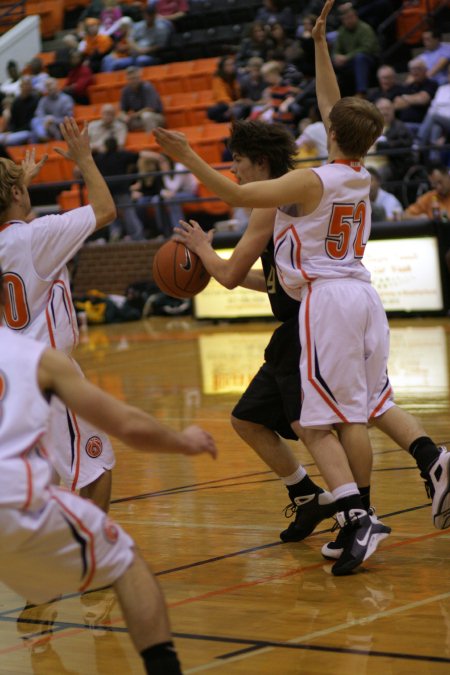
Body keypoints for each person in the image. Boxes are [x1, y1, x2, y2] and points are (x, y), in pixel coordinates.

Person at [154, 0, 450, 573]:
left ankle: (358, 516)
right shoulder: (360, 175)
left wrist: (189, 156)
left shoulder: (311, 180)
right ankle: (416, 471)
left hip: (327, 301)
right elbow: (334, 105)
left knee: (319, 422)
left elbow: (238, 197)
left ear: (332, 133)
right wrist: (319, 46)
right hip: (362, 294)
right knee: (362, 408)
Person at [0, 264, 217, 675]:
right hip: (15, 499)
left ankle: (41, 603)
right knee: (126, 562)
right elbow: (130, 425)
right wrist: (183, 441)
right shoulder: (38, 358)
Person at [172, 119, 336, 543]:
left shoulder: (273, 199)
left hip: (309, 327)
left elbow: (228, 276)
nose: (233, 170)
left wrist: (204, 252)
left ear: (260, 163)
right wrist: (214, 264)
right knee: (247, 419)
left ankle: (356, 507)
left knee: (316, 427)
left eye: (238, 161)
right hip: (297, 328)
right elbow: (255, 278)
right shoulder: (285, 192)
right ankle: (307, 496)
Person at [0, 118, 118, 512]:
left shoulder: (21, 239)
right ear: (16, 192)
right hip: (49, 374)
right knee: (97, 465)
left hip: (10, 380)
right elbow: (104, 210)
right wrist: (84, 158)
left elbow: (18, 238)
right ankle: (93, 559)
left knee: (36, 484)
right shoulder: (37, 236)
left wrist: (18, 189)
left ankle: (37, 564)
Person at [332, 3, 380, 96]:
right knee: (330, 61)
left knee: (360, 58)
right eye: (345, 19)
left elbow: (366, 48)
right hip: (349, 60)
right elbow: (336, 49)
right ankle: (332, 93)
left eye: (350, 17)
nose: (348, 20)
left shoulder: (365, 28)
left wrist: (347, 57)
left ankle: (361, 92)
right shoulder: (342, 31)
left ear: (356, 16)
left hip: (369, 59)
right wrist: (337, 57)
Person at [119, 65, 165, 132]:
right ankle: (131, 142)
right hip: (138, 119)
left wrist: (135, 115)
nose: (133, 81)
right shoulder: (126, 90)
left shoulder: (147, 87)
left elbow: (150, 108)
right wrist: (124, 116)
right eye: (130, 79)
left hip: (155, 117)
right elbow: (123, 110)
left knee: (146, 116)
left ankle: (151, 140)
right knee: (120, 120)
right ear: (127, 79)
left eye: (135, 78)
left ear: (140, 77)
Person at [30, 78, 74, 143]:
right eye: (46, 86)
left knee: (38, 128)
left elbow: (68, 119)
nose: (49, 87)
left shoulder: (66, 99)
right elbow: (38, 113)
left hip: (60, 128)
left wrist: (52, 120)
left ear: (57, 85)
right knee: (34, 121)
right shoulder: (44, 100)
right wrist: (46, 120)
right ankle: (42, 137)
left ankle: (42, 138)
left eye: (50, 84)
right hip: (45, 126)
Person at [0, 76, 40, 146]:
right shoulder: (17, 102)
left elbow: (32, 123)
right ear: (20, 86)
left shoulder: (36, 100)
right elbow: (13, 121)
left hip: (28, 131)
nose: (26, 87)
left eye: (28, 84)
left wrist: (13, 132)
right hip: (16, 132)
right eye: (24, 85)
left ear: (31, 86)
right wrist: (10, 131)